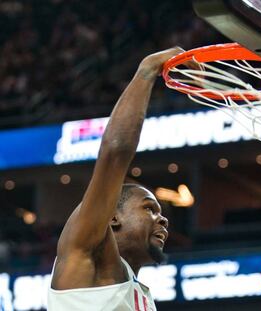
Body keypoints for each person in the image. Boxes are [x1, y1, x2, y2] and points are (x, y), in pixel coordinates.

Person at [47, 47, 186, 311]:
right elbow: (114, 155)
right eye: (148, 208)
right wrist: (147, 72)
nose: (163, 218)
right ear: (113, 217)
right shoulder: (87, 252)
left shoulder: (138, 292)